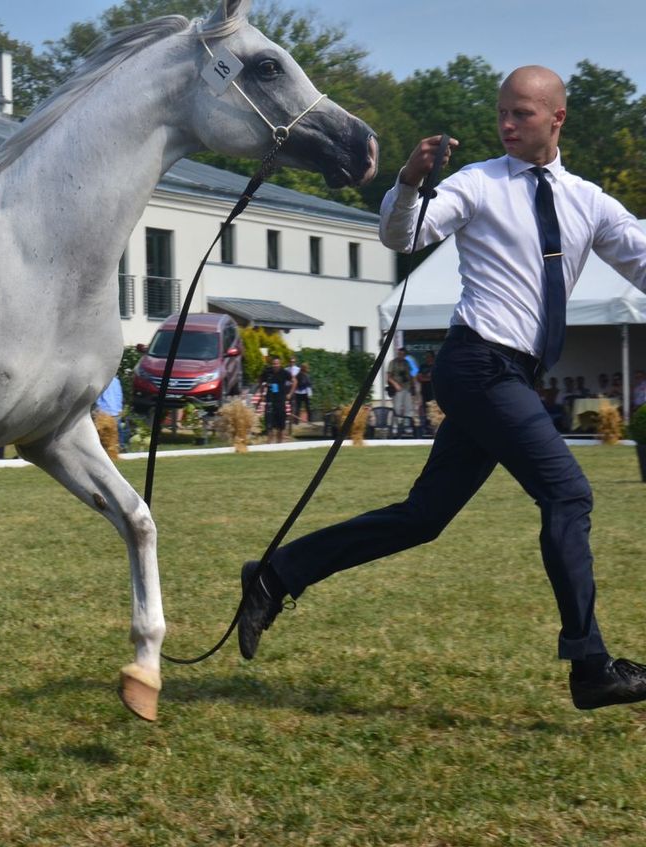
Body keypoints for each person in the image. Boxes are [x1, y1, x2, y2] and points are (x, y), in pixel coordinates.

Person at [237, 66, 646, 710]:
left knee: (424, 518)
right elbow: (403, 235)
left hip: (512, 377)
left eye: (523, 115)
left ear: (557, 119)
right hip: (476, 365)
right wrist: (406, 183)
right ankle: (590, 664)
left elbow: (643, 258)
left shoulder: (587, 201)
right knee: (567, 492)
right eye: (503, 114)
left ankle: (274, 574)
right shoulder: (478, 183)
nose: (508, 125)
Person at [256, 355, 295, 443]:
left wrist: (290, 394)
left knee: (280, 425)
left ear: (280, 364)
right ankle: (269, 443)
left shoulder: (284, 372)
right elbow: (260, 379)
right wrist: (262, 392)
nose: (275, 365)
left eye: (277, 364)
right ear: (272, 364)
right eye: (274, 364)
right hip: (270, 400)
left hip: (280, 400)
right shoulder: (268, 371)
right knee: (269, 424)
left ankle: (279, 443)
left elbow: (295, 381)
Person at [386, 352, 415, 425]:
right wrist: (395, 385)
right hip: (397, 389)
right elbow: (388, 377)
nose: (401, 355)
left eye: (403, 354)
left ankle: (406, 427)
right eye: (400, 354)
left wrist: (412, 386)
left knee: (408, 408)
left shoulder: (406, 362)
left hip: (407, 388)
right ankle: (396, 427)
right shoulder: (393, 363)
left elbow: (410, 374)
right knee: (397, 408)